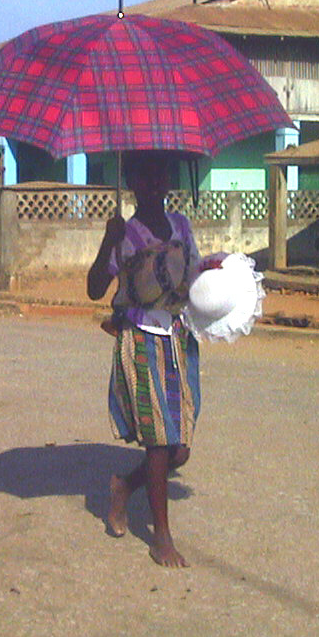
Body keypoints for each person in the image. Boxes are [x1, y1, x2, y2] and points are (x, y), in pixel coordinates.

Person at [87, 150, 215, 568]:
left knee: (179, 450)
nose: (156, 184)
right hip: (140, 338)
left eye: (162, 176)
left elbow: (193, 276)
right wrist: (109, 238)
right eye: (146, 176)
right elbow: (93, 289)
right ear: (134, 182)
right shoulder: (125, 233)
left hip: (177, 339)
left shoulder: (180, 225)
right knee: (159, 441)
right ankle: (161, 536)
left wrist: (217, 275)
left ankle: (125, 486)